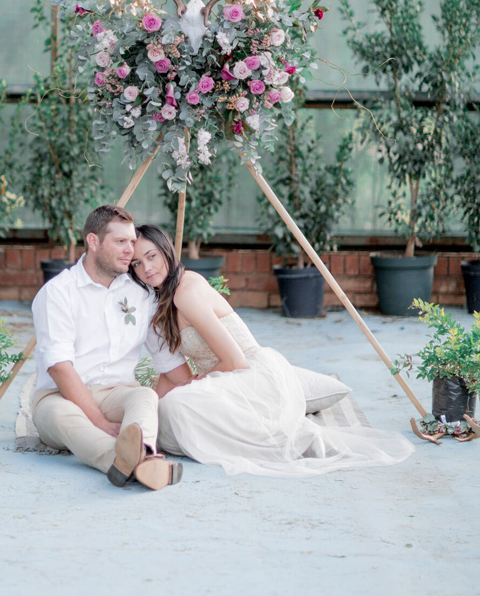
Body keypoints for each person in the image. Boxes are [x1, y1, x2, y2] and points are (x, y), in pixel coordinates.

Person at [129, 225, 415, 477]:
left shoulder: (186, 292)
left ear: (166, 249)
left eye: (151, 256)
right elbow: (172, 373)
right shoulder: (164, 301)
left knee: (178, 406)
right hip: (222, 378)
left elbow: (234, 360)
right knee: (164, 406)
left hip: (248, 374)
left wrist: (189, 387)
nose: (146, 268)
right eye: (136, 264)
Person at [31, 205, 185, 490]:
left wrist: (205, 388)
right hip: (60, 396)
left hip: (117, 394)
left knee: (144, 396)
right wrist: (100, 422)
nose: (130, 250)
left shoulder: (141, 294)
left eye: (132, 242)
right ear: (93, 241)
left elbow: (165, 357)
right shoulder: (58, 292)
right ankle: (142, 464)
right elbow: (60, 368)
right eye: (121, 242)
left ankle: (134, 463)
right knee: (62, 417)